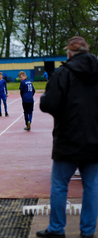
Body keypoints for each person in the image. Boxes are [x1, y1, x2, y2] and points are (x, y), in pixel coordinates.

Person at [37, 36, 98, 238]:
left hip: (68, 139)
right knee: (92, 187)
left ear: (69, 53)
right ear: (87, 52)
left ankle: (56, 228)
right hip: (95, 139)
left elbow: (48, 104)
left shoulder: (63, 73)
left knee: (59, 185)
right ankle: (88, 231)